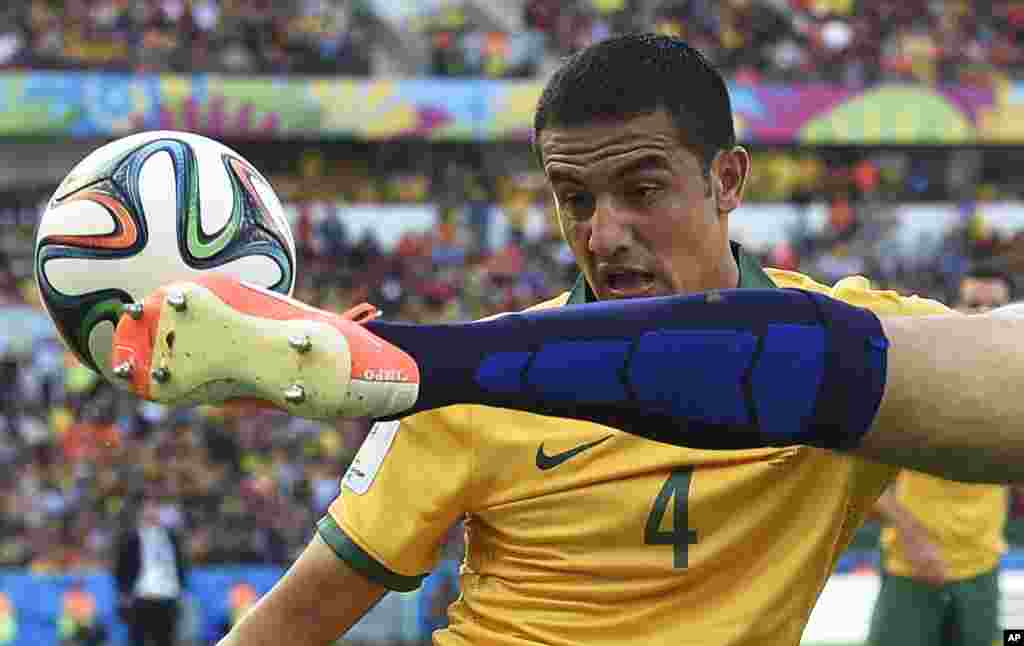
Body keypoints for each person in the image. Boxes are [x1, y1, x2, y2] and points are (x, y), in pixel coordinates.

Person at [106, 34, 1024, 645]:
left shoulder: (854, 334)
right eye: (574, 198)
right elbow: (297, 618)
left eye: (643, 189)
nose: (602, 232)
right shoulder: (451, 397)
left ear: (728, 181)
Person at [867, 269, 1015, 646]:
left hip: (983, 567)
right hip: (913, 566)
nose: (983, 315)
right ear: (951, 308)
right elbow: (852, 473)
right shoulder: (914, 374)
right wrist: (911, 534)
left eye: (995, 306)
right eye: (973, 304)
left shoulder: (1015, 387)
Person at [114, 495, 189, 646]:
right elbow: (121, 568)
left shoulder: (172, 537)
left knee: (166, 640)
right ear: (140, 512)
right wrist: (124, 593)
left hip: (168, 595)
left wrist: (181, 587)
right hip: (142, 595)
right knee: (138, 640)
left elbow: (180, 563)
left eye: (155, 508)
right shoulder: (130, 538)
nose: (152, 512)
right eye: (148, 508)